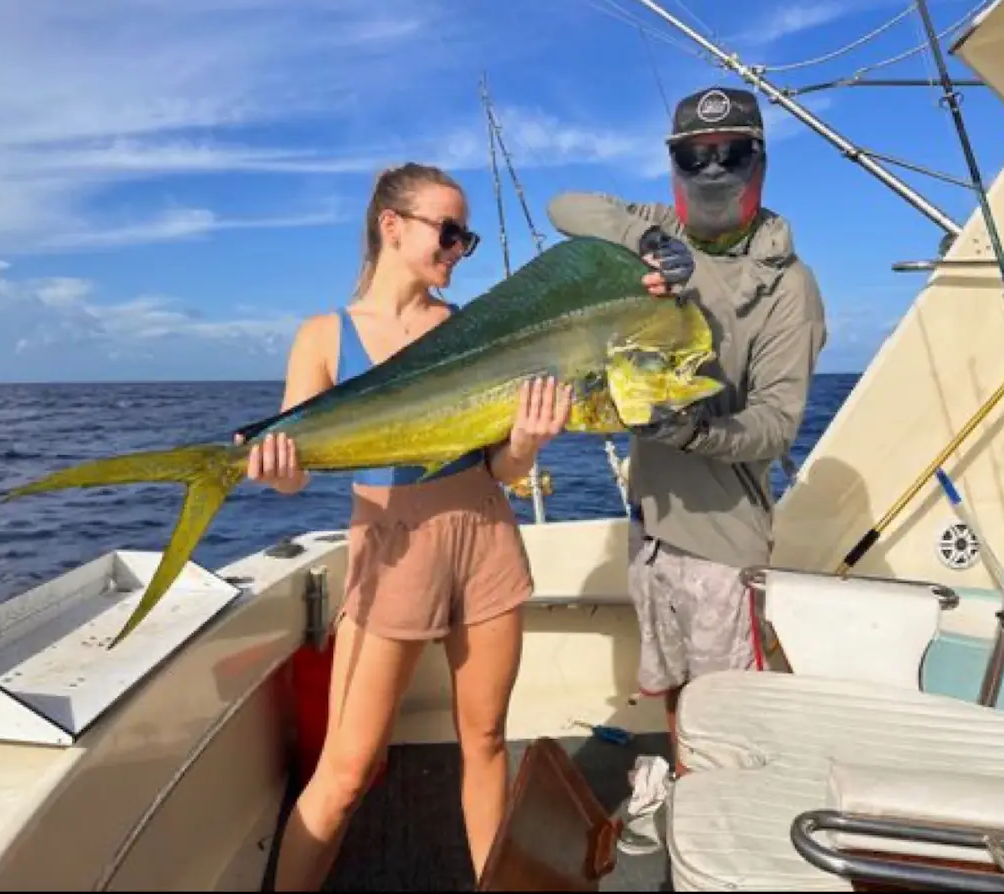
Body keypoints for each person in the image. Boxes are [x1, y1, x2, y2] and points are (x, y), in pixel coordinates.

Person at [240, 162, 572, 891]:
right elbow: (298, 472)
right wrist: (273, 469)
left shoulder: (472, 332)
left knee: (485, 740)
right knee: (349, 769)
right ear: (392, 226)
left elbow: (502, 470)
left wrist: (528, 442)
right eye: (447, 233)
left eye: (467, 239)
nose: (457, 251)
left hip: (485, 542)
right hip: (393, 553)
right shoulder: (325, 337)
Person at [545, 86, 827, 851]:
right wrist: (642, 244)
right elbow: (565, 204)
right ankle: (680, 796)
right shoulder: (665, 230)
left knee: (726, 707)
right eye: (693, 156)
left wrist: (686, 428)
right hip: (655, 527)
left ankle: (727, 833)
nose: (713, 167)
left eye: (730, 153)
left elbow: (772, 427)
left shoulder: (787, 287)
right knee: (672, 691)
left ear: (758, 161)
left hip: (723, 543)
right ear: (674, 165)